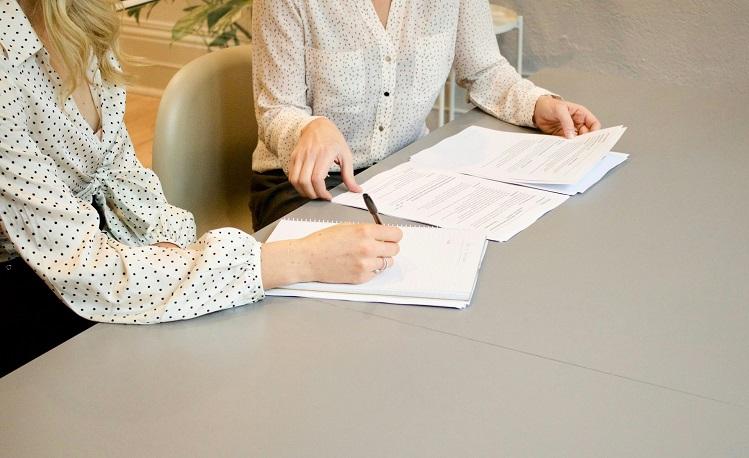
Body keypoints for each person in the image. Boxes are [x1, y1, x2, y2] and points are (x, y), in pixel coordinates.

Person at [0, 0, 402, 377]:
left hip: (97, 259)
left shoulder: (81, 20)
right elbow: (86, 269)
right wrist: (299, 260)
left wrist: (170, 247)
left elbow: (121, 176)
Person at [250, 0, 602, 229]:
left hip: (405, 173)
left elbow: (483, 69)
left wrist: (538, 104)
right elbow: (276, 108)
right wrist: (309, 128)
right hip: (304, 185)